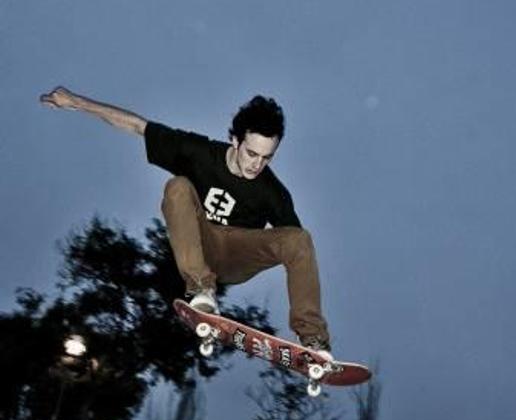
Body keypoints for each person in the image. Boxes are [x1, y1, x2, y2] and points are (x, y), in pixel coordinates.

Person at [40, 86, 333, 358]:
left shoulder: (273, 192)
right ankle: (200, 290)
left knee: (299, 239)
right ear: (235, 140)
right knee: (178, 186)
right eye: (251, 153)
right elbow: (137, 126)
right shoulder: (199, 153)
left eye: (266, 158)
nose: (257, 165)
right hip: (200, 244)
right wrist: (76, 102)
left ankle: (314, 341)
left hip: (237, 256)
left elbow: (297, 254)